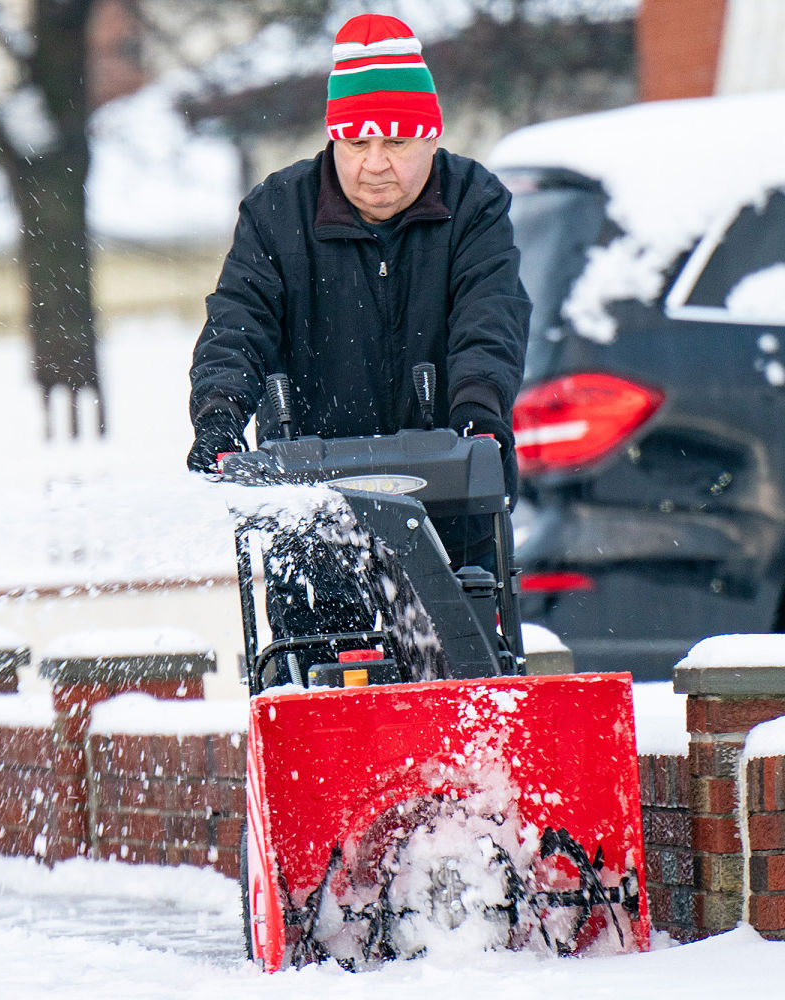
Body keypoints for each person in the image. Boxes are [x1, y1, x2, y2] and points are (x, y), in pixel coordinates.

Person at [187, 13, 531, 664]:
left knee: (460, 682)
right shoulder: (276, 213)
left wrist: (479, 413)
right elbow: (238, 321)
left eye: (397, 142)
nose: (375, 165)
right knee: (322, 690)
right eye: (355, 143)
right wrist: (219, 415)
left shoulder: (475, 204)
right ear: (332, 140)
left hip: (448, 511)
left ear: (432, 135)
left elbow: (493, 315)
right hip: (314, 516)